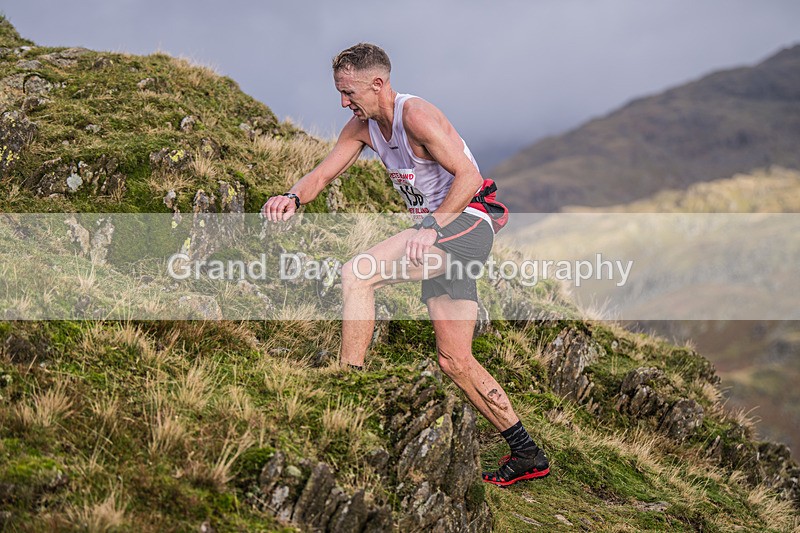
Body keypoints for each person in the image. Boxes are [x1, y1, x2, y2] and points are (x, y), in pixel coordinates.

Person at [261, 43, 549, 486]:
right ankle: (527, 453)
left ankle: (347, 388)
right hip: (443, 235)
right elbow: (321, 174)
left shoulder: (416, 116)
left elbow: (470, 177)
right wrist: (293, 196)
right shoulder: (361, 127)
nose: (343, 102)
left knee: (357, 274)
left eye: (349, 91)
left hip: (465, 224)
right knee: (455, 360)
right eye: (339, 92)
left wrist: (430, 227)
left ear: (378, 83)